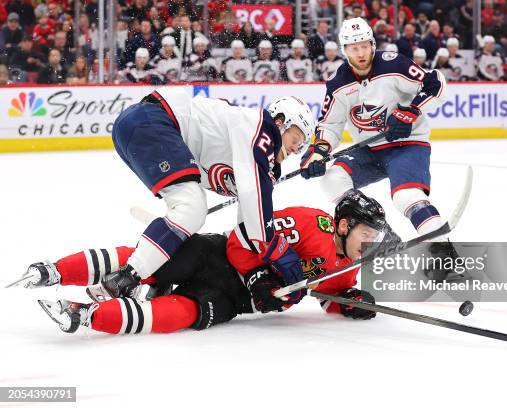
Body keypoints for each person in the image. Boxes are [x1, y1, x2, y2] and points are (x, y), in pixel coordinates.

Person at [50, 88, 315, 302]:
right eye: (296, 139)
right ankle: (126, 280)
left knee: (187, 212)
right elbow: (255, 199)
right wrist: (275, 248)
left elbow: (249, 218)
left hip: (141, 126)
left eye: (302, 146)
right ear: (281, 122)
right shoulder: (264, 129)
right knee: (191, 208)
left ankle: (155, 274)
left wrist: (255, 270)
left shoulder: (257, 154)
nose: (296, 149)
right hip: (153, 121)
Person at [27, 192, 386, 334]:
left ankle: (83, 315)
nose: (370, 243)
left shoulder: (347, 267)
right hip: (218, 256)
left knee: (183, 314)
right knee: (151, 262)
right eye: (366, 234)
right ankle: (56, 270)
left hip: (233, 300)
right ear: (343, 224)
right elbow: (245, 233)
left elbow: (328, 295)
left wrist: (349, 305)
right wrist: (258, 274)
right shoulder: (309, 223)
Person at [299, 17, 454, 276]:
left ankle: (442, 252)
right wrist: (318, 150)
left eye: (363, 46)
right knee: (332, 178)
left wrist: (410, 112)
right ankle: (377, 227)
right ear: (344, 50)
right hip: (369, 150)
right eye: (353, 48)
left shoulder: (394, 64)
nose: (360, 53)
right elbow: (329, 125)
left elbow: (436, 84)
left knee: (406, 196)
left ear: (372, 44)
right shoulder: (337, 84)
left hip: (407, 143)